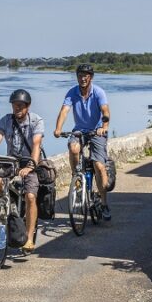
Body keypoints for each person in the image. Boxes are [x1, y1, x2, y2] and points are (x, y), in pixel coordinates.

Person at [0, 89, 44, 251]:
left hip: (30, 162)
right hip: (11, 162)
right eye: (14, 105)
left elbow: (37, 144)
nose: (17, 108)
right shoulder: (6, 120)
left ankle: (29, 238)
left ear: (28, 106)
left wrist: (31, 166)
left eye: (20, 105)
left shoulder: (36, 121)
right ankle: (9, 205)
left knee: (31, 196)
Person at [53, 63, 112, 220]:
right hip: (80, 130)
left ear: (91, 77)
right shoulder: (72, 92)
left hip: (97, 131)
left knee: (99, 166)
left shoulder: (98, 92)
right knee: (73, 149)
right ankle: (76, 176)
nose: (83, 78)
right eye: (80, 75)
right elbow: (64, 110)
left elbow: (105, 111)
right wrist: (58, 128)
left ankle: (104, 203)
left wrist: (104, 126)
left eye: (86, 76)